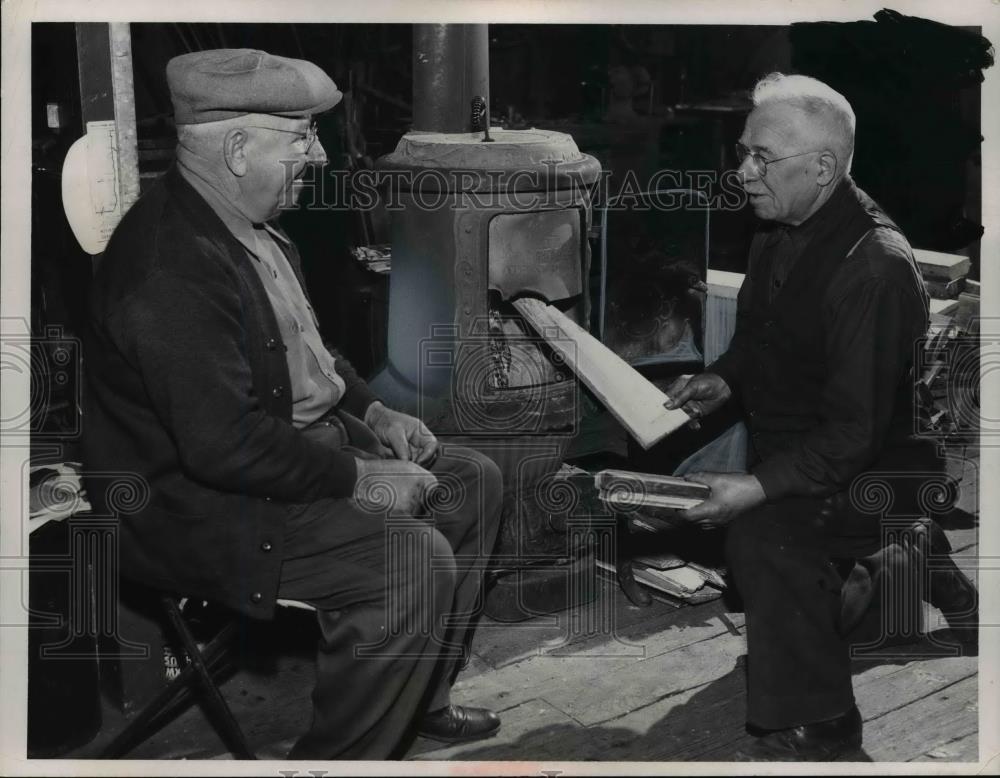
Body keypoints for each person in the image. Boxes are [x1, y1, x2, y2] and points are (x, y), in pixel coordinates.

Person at [83, 49, 503, 759]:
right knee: (413, 560)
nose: (318, 154)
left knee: (473, 482)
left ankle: (417, 699)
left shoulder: (251, 224)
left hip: (281, 459)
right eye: (301, 137)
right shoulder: (170, 267)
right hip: (199, 506)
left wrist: (374, 413)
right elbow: (224, 445)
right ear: (239, 149)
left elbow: (307, 348)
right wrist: (360, 478)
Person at [664, 73, 978, 761]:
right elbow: (760, 339)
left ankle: (827, 723)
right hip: (812, 449)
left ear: (824, 167)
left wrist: (756, 489)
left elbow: (854, 435)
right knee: (753, 548)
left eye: (760, 158)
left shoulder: (873, 269)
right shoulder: (780, 222)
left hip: (877, 468)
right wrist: (721, 377)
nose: (742, 173)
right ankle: (895, 566)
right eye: (742, 152)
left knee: (762, 538)